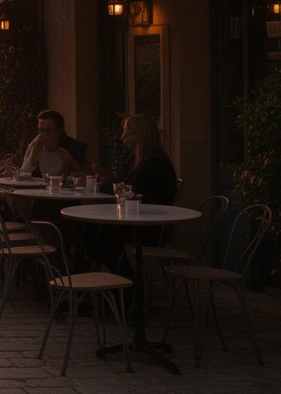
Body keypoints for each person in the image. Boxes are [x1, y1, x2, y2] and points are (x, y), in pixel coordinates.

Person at [90, 114, 180, 274]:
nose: (122, 136)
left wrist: (104, 185)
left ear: (139, 135)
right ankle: (115, 279)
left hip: (150, 226)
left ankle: (128, 281)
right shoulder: (138, 160)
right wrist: (109, 181)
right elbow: (122, 182)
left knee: (101, 236)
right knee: (95, 232)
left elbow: (128, 190)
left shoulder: (153, 163)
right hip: (139, 220)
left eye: (127, 131)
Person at [18, 110, 88, 178]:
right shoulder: (36, 144)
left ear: (60, 130)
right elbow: (22, 174)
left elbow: (87, 177)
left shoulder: (73, 146)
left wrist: (71, 162)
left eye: (49, 130)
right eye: (41, 130)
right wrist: (33, 159)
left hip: (63, 185)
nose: (45, 134)